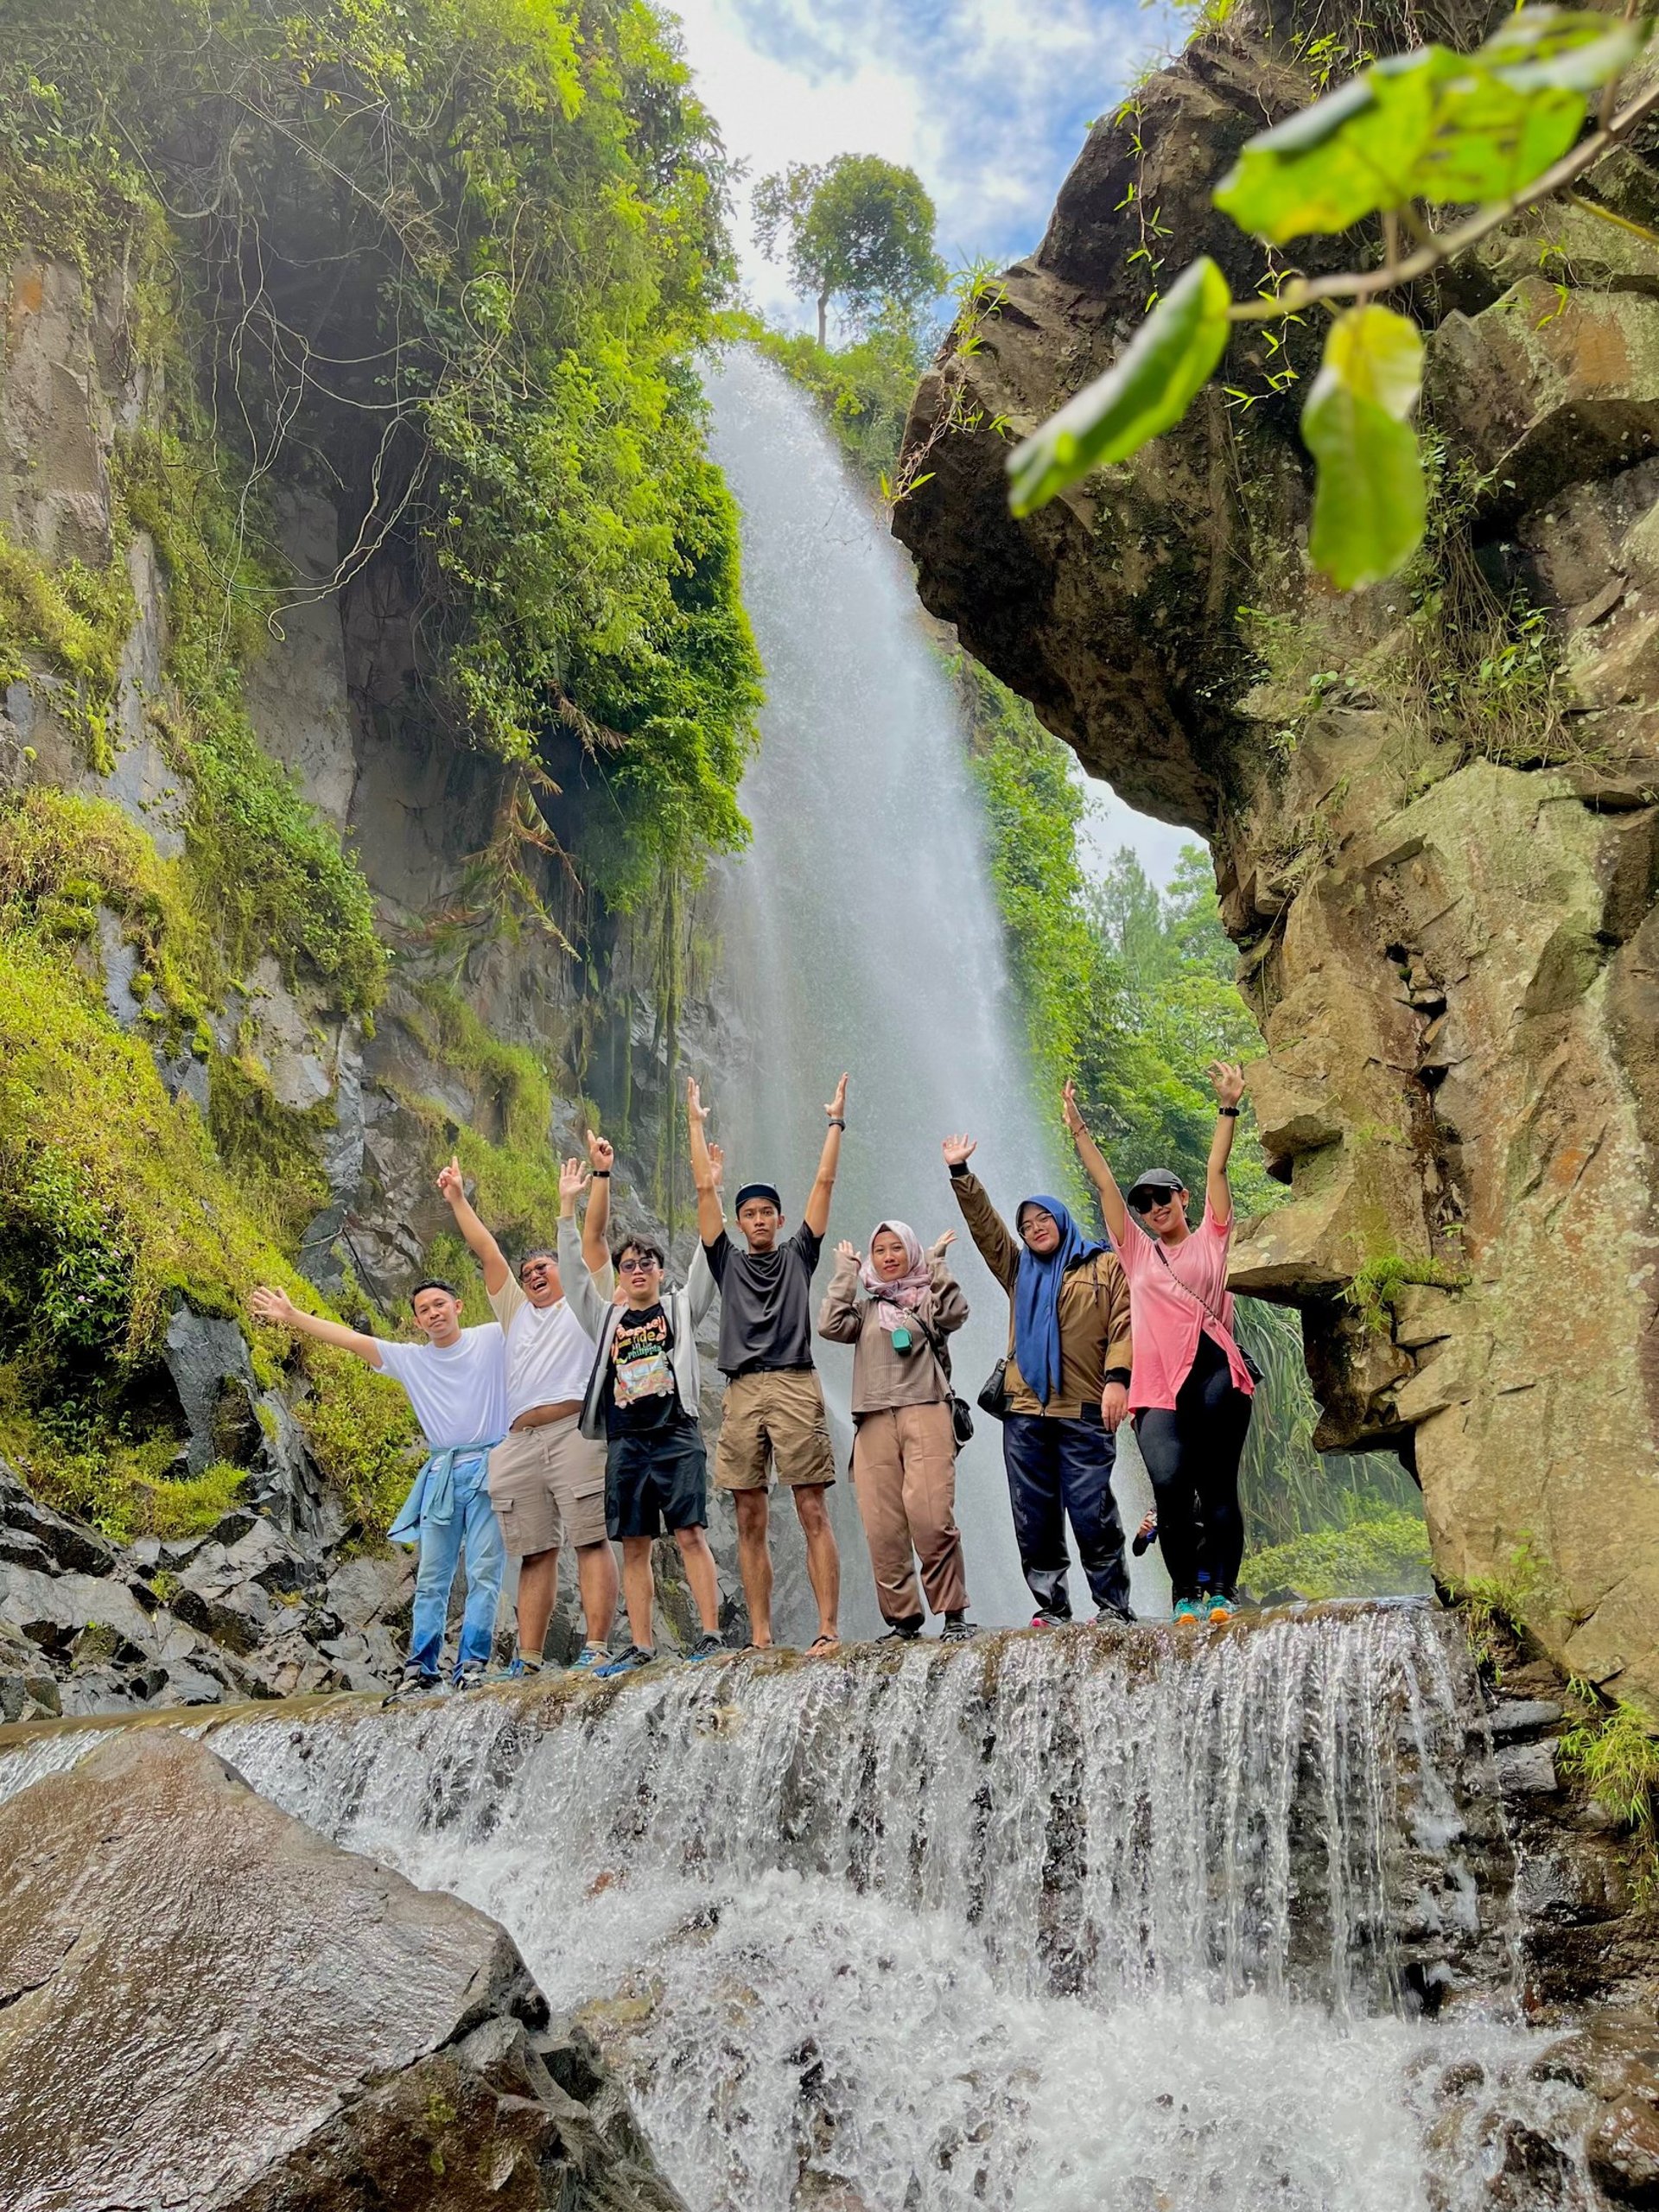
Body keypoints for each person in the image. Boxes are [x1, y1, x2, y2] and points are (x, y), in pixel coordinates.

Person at [249, 1164, 508, 1692]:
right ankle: (421, 1667)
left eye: (440, 1304)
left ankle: (474, 1665)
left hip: (491, 1466)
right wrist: (291, 1315)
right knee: (433, 1578)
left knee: (485, 1572)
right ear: (416, 1321)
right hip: (440, 1473)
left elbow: (493, 1259)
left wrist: (458, 1199)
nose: (434, 1313)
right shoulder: (410, 1359)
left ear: (459, 1307)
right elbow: (346, 1338)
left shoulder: (492, 1338)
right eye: (423, 1309)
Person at [1062, 1063, 1256, 1624]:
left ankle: (1222, 1589)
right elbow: (1104, 1186)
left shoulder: (1212, 1240)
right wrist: (1078, 1131)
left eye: (1162, 1197)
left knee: (1218, 1486)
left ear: (1183, 1196)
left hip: (1217, 1371)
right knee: (1171, 1488)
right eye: (1143, 1203)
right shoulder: (1137, 1253)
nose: (1153, 1208)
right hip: (1156, 1387)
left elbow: (1218, 1165)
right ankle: (1184, 1595)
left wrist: (1228, 1106)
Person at [941, 1131, 1135, 1626]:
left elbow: (1124, 1323)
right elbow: (987, 1232)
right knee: (1034, 1516)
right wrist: (962, 1175)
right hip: (1025, 1411)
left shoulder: (1104, 1266)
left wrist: (1118, 1378)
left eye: (1043, 1218)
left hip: (1085, 1408)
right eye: (1026, 1224)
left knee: (1092, 1511)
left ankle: (1112, 1605)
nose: (1034, 1228)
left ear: (1061, 1220)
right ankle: (1052, 1607)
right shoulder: (1019, 1269)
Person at [442, 1148, 620, 1676]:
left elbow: (595, 1239)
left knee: (590, 1536)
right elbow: (486, 1251)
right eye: (528, 1271)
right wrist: (456, 1198)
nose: (533, 1274)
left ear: (563, 1271)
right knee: (535, 1551)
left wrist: (594, 1184)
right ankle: (529, 1658)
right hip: (518, 1441)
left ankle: (597, 1648)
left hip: (576, 1430)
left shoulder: (588, 1301)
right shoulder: (514, 1310)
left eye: (543, 1266)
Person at [689, 1071, 846, 1654]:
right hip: (741, 1391)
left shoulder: (800, 1255)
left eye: (767, 1212)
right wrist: (696, 1124)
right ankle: (759, 1635)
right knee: (749, 1514)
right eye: (748, 1212)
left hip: (795, 1385)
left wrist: (835, 1122)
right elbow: (705, 1194)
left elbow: (825, 1181)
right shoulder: (724, 1261)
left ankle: (827, 1628)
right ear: (739, 1222)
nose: (758, 1219)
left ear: (780, 1220)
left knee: (810, 1505)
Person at [558, 1202, 727, 1677]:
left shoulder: (679, 1307)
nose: (637, 1271)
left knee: (690, 1533)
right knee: (634, 1544)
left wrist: (709, 1192)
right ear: (619, 1274)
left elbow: (707, 1259)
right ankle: (641, 1644)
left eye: (645, 1263)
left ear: (660, 1270)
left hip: (676, 1433)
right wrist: (566, 1213)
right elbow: (572, 1281)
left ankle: (711, 1633)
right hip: (626, 1442)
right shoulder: (607, 1319)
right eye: (627, 1265)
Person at [817, 1221, 976, 1644]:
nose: (888, 1257)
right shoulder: (865, 1309)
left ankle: (953, 1612)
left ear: (911, 1252)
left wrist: (938, 1264)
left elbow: (956, 1313)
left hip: (925, 1409)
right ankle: (903, 1619)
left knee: (930, 1516)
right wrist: (845, 1275)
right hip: (871, 1420)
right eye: (880, 1250)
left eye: (897, 1249)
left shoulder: (927, 1299)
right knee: (882, 1527)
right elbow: (830, 1324)